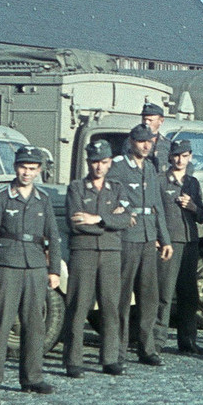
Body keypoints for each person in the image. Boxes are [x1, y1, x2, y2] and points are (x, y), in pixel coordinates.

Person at [0, 145, 64, 405]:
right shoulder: (1, 198)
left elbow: (53, 235)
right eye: (22, 168)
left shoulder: (42, 199)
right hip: (6, 265)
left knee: (35, 325)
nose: (27, 173)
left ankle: (32, 377)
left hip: (35, 266)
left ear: (39, 171)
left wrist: (54, 271)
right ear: (15, 167)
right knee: (1, 325)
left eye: (32, 169)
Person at [63, 140, 132, 377]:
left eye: (103, 162)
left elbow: (127, 220)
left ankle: (110, 358)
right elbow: (76, 223)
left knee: (110, 306)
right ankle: (73, 360)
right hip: (84, 253)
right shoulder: (76, 188)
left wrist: (97, 219)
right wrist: (109, 221)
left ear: (110, 163)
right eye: (94, 162)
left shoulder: (117, 188)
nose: (99, 167)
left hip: (111, 254)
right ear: (88, 162)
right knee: (78, 306)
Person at [108, 124, 173, 368]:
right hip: (127, 237)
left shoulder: (151, 168)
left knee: (149, 296)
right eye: (141, 141)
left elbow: (157, 207)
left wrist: (164, 239)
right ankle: (119, 350)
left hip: (148, 239)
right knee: (123, 298)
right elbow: (107, 195)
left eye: (150, 142)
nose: (146, 146)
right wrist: (118, 210)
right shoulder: (118, 167)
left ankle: (147, 348)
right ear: (131, 141)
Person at [157, 139, 203, 357]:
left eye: (184, 155)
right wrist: (161, 239)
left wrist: (193, 206)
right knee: (164, 294)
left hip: (190, 243)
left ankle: (188, 341)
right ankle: (156, 342)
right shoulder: (161, 181)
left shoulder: (193, 183)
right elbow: (156, 213)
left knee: (189, 295)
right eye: (176, 155)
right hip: (170, 243)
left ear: (190, 157)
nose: (180, 160)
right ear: (170, 157)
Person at [140, 101, 171, 166]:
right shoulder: (132, 142)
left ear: (161, 121)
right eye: (144, 119)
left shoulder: (167, 144)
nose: (146, 122)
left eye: (150, 120)